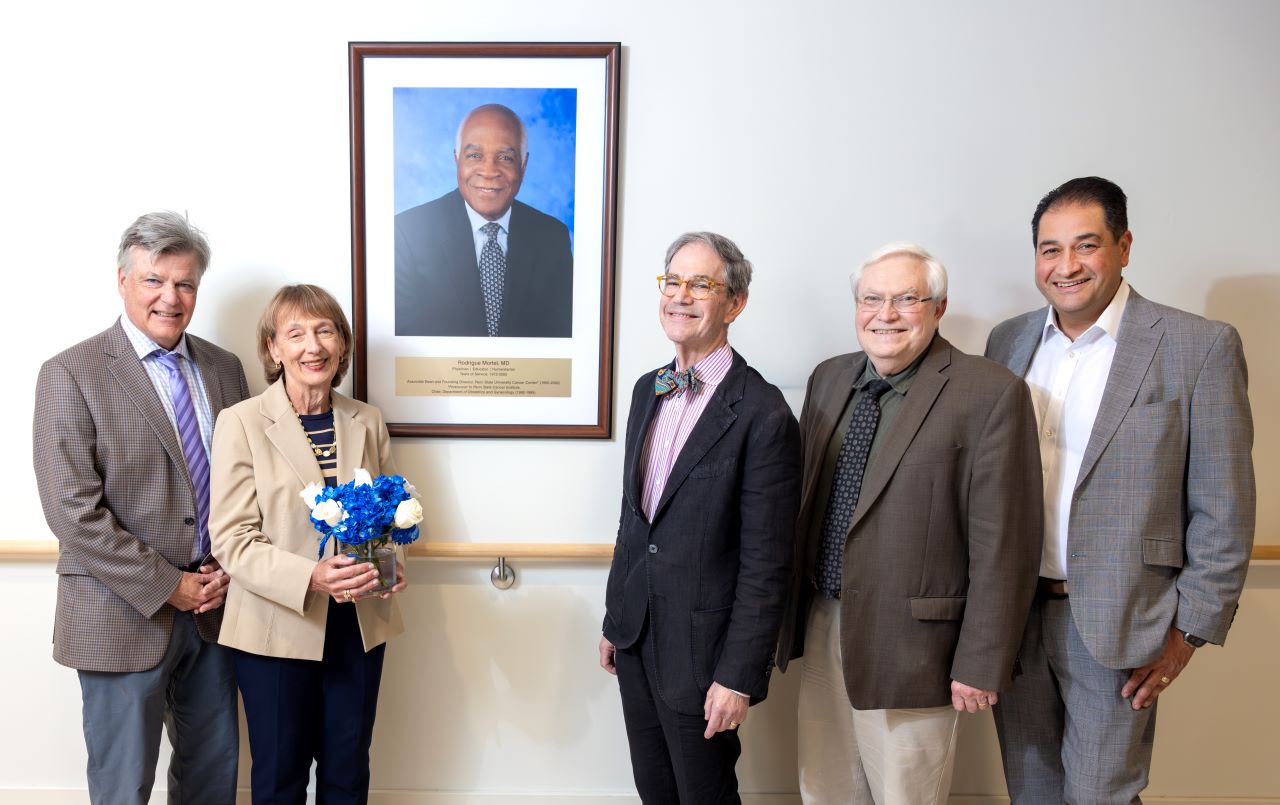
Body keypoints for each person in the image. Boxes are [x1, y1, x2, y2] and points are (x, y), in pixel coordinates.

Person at [985, 176, 1256, 803]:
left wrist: (1188, 633)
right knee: (1031, 793)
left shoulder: (1198, 346)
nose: (1067, 266)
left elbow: (1226, 506)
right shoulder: (1008, 342)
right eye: (1050, 250)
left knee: (1102, 794)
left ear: (1124, 245)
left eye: (1086, 245)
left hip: (1121, 622)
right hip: (1014, 618)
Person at [776, 242, 1042, 804]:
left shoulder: (990, 392)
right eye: (872, 299)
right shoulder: (829, 379)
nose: (886, 314)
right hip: (824, 622)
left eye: (906, 299)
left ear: (939, 308)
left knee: (905, 796)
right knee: (823, 790)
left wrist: (982, 660)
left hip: (917, 647)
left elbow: (1005, 545)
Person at [32, 211, 249, 804]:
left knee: (212, 782)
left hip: (217, 608)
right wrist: (168, 584)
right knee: (124, 786)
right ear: (123, 281)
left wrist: (232, 566)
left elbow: (246, 485)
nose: (170, 298)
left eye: (184, 284)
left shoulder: (225, 370)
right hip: (119, 614)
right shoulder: (70, 373)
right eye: (155, 280)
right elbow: (71, 510)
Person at [598, 231, 801, 803]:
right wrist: (618, 619)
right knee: (654, 790)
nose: (680, 295)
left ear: (734, 303)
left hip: (705, 654)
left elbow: (768, 564)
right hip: (636, 637)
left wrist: (738, 674)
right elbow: (634, 520)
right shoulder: (645, 390)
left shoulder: (764, 413)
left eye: (701, 284)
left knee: (704, 795)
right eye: (673, 281)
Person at [210, 284, 408, 804]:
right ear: (274, 349)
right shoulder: (240, 422)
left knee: (348, 774)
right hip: (276, 627)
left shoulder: (367, 419)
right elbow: (232, 538)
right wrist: (311, 577)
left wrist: (388, 569)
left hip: (357, 625)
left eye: (324, 331)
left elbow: (387, 517)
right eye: (295, 334)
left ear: (342, 344)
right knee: (279, 778)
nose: (311, 346)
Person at [395, 102, 573, 338]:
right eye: (475, 155)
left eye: (506, 158)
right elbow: (401, 340)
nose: (489, 171)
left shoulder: (552, 237)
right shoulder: (408, 232)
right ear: (457, 159)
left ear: (524, 164)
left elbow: (563, 335)